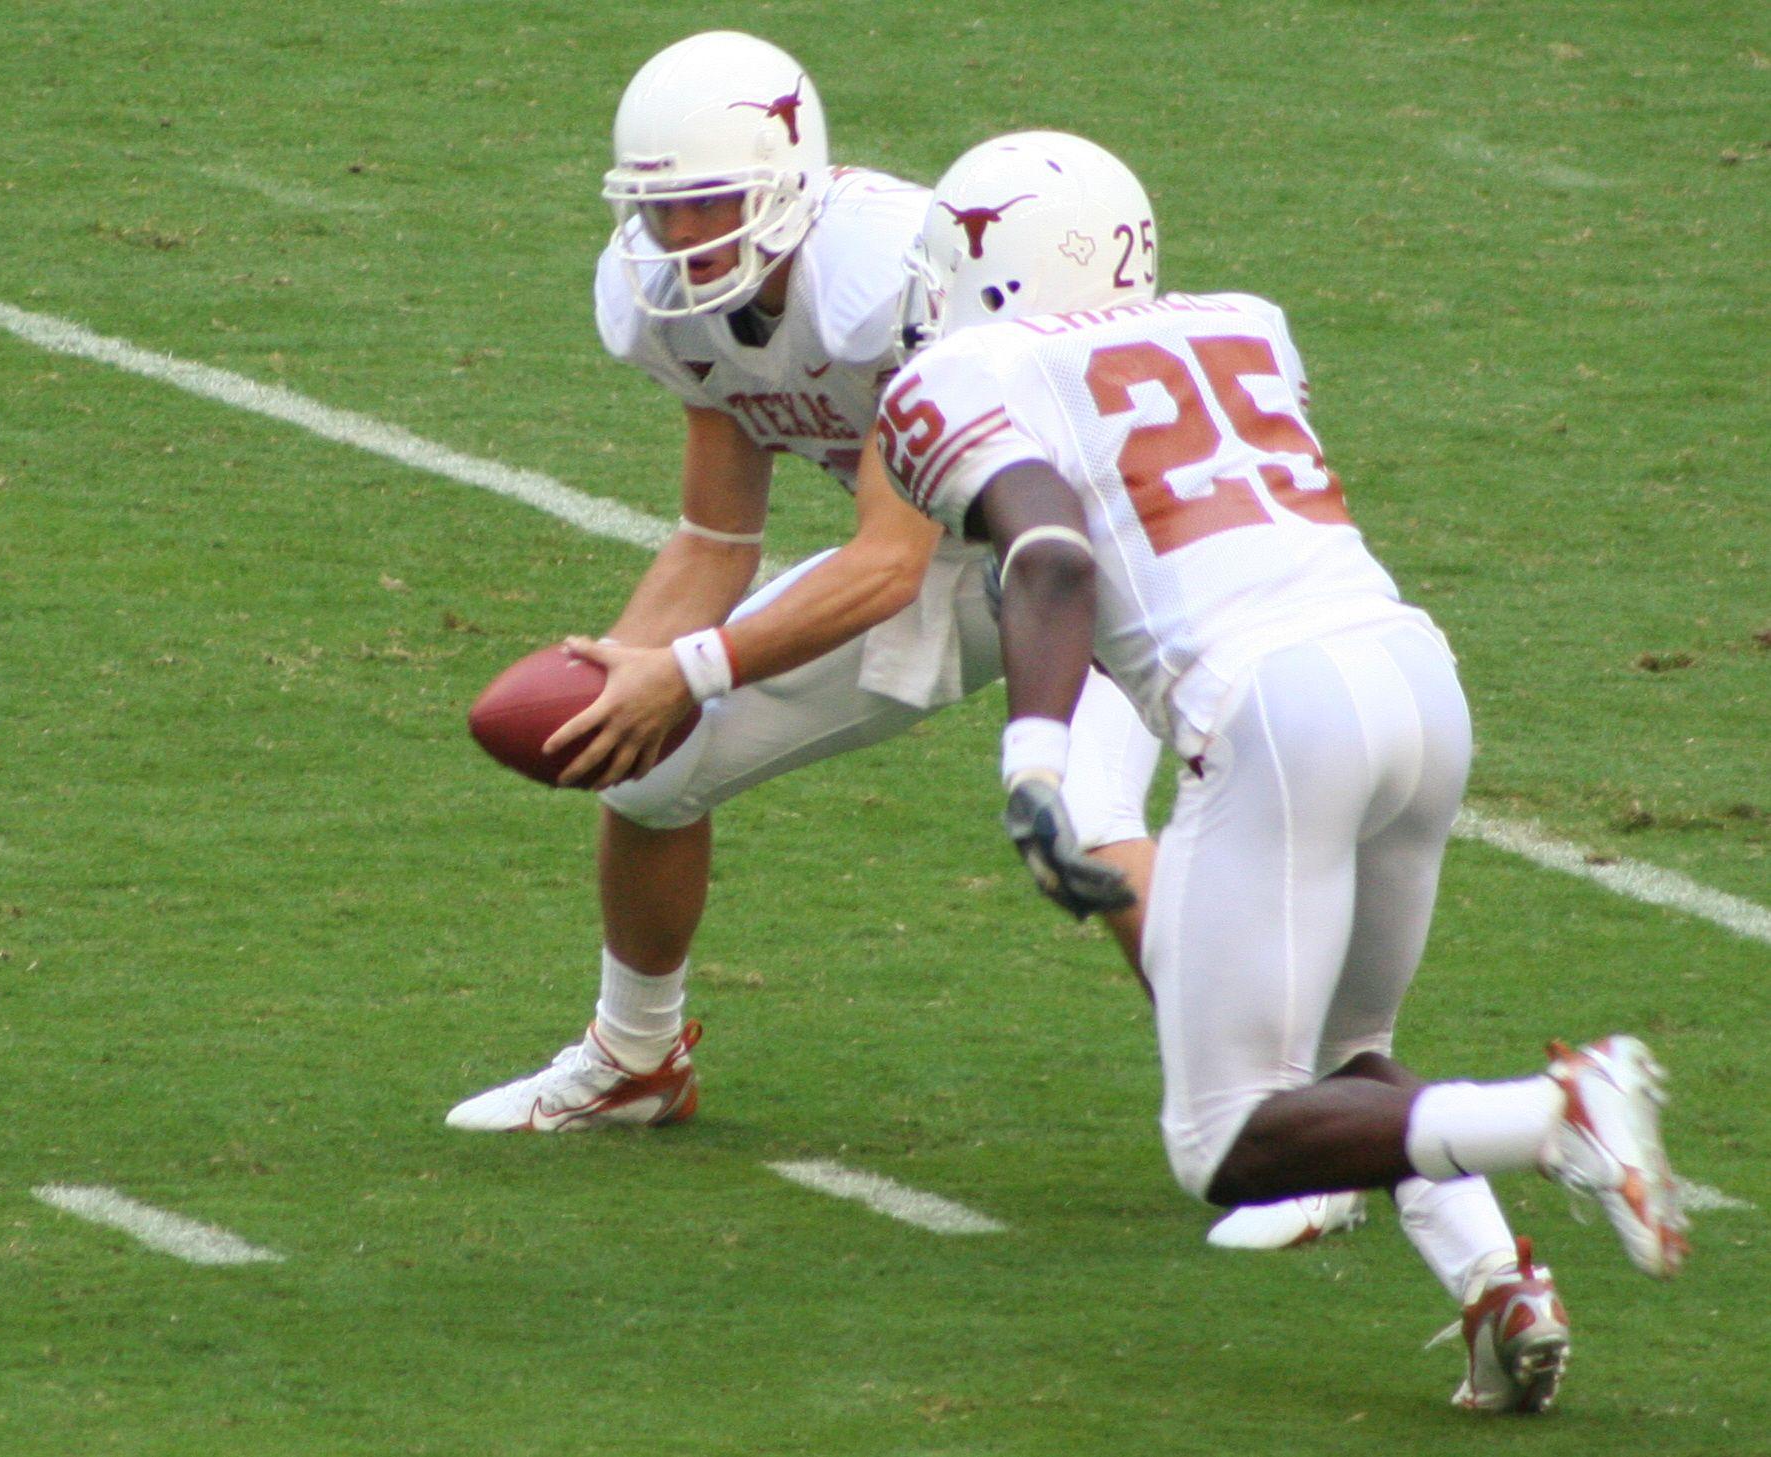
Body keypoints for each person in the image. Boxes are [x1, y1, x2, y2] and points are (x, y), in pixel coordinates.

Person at [872, 129, 1689, 1411]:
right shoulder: (1241, 321)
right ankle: (1498, 1285)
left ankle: (1556, 1112)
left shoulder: (966, 369)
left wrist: (1033, 764)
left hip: (1271, 710)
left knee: (1226, 1138)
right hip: (1411, 672)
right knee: (1348, 1055)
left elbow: (1054, 560)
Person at [443, 32, 1161, 1134]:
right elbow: (712, 539)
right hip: (971, 544)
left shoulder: (885, 277)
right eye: (661, 209)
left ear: (786, 183)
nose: (682, 235)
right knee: (652, 771)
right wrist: (622, 678)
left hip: (1118, 548)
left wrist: (686, 670)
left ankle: (1302, 1119)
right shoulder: (676, 301)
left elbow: (885, 564)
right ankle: (635, 1059)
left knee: (1097, 821)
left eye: (708, 202)